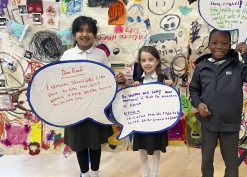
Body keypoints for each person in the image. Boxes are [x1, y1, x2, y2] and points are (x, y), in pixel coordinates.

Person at [25, 16, 125, 177]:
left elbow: (109, 78)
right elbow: (55, 81)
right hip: (74, 110)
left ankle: (94, 172)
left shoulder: (100, 54)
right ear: (74, 34)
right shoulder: (68, 54)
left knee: (95, 143)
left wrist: (119, 79)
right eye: (80, 30)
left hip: (96, 109)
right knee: (80, 144)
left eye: (89, 31)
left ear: (94, 34)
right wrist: (34, 79)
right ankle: (84, 173)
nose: (85, 34)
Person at [189, 29, 247, 177]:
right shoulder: (201, 67)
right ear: (209, 44)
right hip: (208, 123)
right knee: (206, 161)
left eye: (224, 43)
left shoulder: (237, 66)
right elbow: (193, 90)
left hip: (230, 124)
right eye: (215, 43)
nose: (219, 46)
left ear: (230, 45)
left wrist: (246, 55)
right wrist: (198, 104)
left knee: (231, 164)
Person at [132, 46, 173, 177]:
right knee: (143, 149)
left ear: (157, 61)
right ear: (140, 62)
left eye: (151, 59)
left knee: (156, 148)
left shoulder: (163, 79)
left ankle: (154, 173)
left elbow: (171, 100)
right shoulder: (138, 81)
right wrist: (134, 89)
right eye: (143, 60)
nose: (147, 63)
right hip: (142, 122)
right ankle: (145, 173)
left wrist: (170, 87)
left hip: (158, 122)